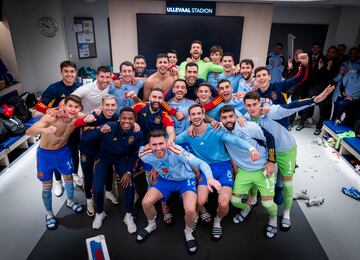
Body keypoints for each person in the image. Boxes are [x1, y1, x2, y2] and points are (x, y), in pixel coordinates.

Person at [242, 86, 334, 231]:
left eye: (255, 104)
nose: (252, 108)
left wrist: (314, 100)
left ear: (260, 103)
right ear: (245, 106)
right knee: (257, 174)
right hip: (267, 152)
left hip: (286, 150)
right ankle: (253, 199)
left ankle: (286, 213)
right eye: (249, 105)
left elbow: (290, 107)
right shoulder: (246, 119)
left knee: (287, 184)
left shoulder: (270, 111)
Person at [176, 104, 259, 241]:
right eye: (193, 114)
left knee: (224, 203)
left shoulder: (215, 129)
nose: (196, 116)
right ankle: (194, 219)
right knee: (200, 201)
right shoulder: (187, 134)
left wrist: (251, 149)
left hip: (223, 167)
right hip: (205, 168)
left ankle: (217, 221)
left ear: (203, 115)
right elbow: (171, 143)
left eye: (199, 113)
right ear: (190, 118)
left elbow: (235, 140)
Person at [137, 130, 221, 254]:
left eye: (161, 143)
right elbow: (145, 159)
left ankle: (188, 231)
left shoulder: (177, 151)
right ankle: (151, 224)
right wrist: (152, 168)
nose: (158, 148)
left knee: (190, 210)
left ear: (166, 142)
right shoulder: (144, 153)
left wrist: (209, 178)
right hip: (165, 180)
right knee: (146, 202)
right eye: (154, 145)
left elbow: (201, 163)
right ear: (149, 145)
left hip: (185, 180)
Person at [26, 95, 87, 230]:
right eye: (70, 106)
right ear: (63, 106)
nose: (73, 109)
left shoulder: (78, 116)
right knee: (47, 186)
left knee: (69, 178)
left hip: (63, 152)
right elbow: (29, 131)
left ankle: (70, 201)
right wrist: (44, 130)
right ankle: (49, 214)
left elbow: (94, 117)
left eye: (76, 107)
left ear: (80, 108)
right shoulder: (52, 117)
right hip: (45, 155)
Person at [219, 105, 278, 238]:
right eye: (224, 117)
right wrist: (192, 127)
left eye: (231, 116)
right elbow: (202, 125)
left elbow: (270, 138)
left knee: (268, 203)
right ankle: (246, 209)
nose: (228, 120)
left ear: (236, 116)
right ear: (220, 120)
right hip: (244, 171)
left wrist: (271, 161)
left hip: (262, 167)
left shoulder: (249, 126)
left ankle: (273, 220)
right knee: (234, 201)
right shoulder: (220, 129)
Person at [83, 107, 144, 231]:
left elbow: (135, 153)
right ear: (119, 119)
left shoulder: (137, 132)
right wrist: (100, 130)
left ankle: (128, 215)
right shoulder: (109, 126)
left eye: (130, 118)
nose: (127, 121)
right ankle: (100, 213)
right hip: (104, 157)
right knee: (98, 187)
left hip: (121, 159)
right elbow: (85, 138)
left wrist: (128, 171)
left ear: (135, 120)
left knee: (129, 185)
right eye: (124, 118)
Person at [35, 60, 82, 194]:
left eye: (72, 71)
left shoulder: (79, 87)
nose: (69, 74)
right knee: (55, 153)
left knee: (73, 152)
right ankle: (58, 182)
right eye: (66, 71)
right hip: (56, 128)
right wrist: (49, 110)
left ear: (75, 72)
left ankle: (74, 174)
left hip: (72, 127)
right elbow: (39, 105)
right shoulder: (54, 88)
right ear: (61, 72)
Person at [74, 94, 120, 217]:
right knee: (88, 175)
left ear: (116, 106)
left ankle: (109, 192)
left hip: (104, 150)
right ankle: (89, 200)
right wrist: (97, 128)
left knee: (109, 170)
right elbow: (80, 131)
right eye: (107, 105)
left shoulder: (116, 117)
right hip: (88, 150)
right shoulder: (94, 116)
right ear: (102, 105)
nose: (110, 108)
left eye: (112, 105)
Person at [254, 52, 309, 129]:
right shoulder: (255, 94)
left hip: (281, 126)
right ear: (255, 79)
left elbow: (298, 78)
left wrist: (304, 66)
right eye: (258, 76)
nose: (261, 78)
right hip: (265, 126)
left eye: (264, 75)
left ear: (269, 77)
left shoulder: (278, 86)